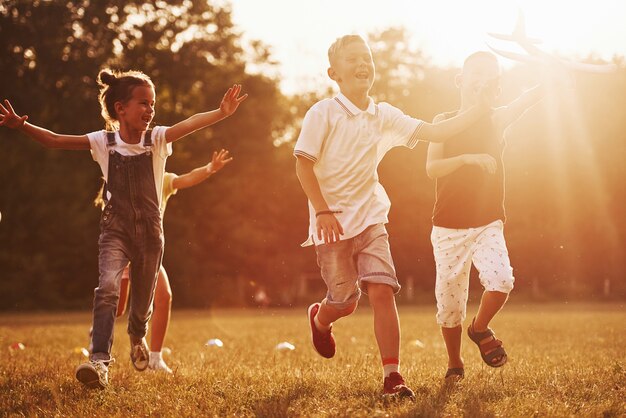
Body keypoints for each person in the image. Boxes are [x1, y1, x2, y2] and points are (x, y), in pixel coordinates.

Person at [0, 70, 246, 389]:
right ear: (121, 108)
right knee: (107, 289)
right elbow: (56, 140)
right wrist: (23, 126)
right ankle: (99, 360)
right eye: (143, 103)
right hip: (115, 230)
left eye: (153, 104)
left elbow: (190, 123)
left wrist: (220, 113)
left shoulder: (156, 139)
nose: (150, 109)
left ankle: (136, 337)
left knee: (142, 302)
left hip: (150, 233)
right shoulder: (103, 142)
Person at [294, 34, 490, 399]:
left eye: (366, 57)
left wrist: (478, 110)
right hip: (331, 223)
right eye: (352, 58)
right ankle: (321, 318)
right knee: (345, 302)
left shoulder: (383, 115)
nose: (362, 63)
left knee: (382, 290)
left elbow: (434, 131)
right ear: (333, 72)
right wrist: (321, 211)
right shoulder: (322, 113)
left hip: (371, 218)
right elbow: (303, 166)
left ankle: (392, 376)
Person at [426, 51, 545, 380]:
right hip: (447, 227)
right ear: (460, 80)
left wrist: (549, 79)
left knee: (502, 279)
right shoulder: (443, 121)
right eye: (477, 73)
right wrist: (467, 158)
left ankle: (479, 329)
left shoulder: (496, 118)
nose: (483, 81)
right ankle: (454, 362)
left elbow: (527, 99)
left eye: (492, 78)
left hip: (486, 222)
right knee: (449, 306)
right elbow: (432, 168)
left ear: (496, 88)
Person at [94, 149, 233, 373]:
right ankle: (98, 335)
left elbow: (186, 178)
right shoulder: (123, 182)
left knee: (164, 296)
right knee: (118, 308)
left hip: (148, 252)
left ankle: (155, 359)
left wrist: (209, 168)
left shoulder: (164, 180)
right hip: (123, 251)